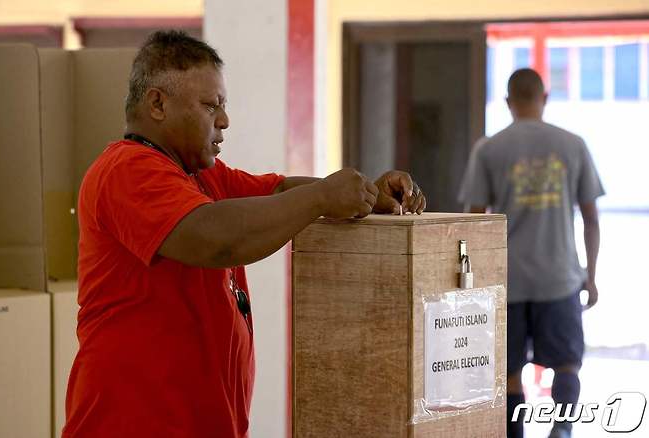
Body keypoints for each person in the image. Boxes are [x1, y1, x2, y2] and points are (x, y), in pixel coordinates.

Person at [62, 30, 426, 438]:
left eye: (224, 106)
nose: (224, 121)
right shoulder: (127, 171)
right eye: (210, 105)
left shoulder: (200, 176)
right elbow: (216, 239)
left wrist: (365, 195)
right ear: (158, 104)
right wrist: (323, 198)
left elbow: (280, 191)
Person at [458, 68, 603, 438]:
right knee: (567, 363)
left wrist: (474, 283)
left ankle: (514, 433)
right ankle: (562, 429)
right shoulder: (573, 144)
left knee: (508, 371)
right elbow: (590, 220)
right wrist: (591, 275)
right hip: (559, 278)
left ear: (508, 102)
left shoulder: (489, 149)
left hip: (508, 281)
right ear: (545, 98)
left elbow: (475, 222)